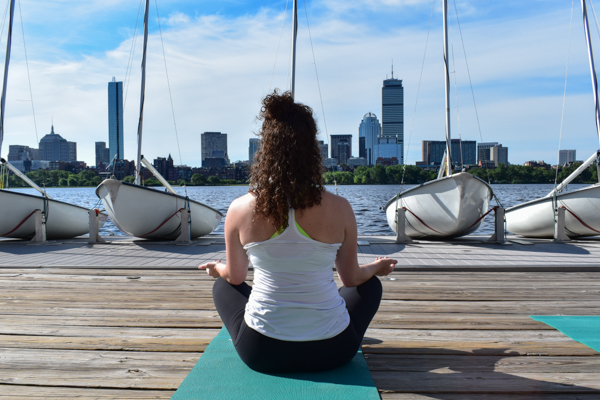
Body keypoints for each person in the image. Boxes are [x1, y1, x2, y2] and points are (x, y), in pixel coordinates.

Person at [199, 90, 397, 373]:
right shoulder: (339, 207)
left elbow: (236, 277)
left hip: (261, 352)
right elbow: (351, 278)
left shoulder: (240, 208)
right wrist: (376, 268)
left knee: (222, 285)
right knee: (370, 285)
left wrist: (217, 268)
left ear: (265, 150)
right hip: (333, 351)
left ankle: (252, 330)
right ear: (312, 151)